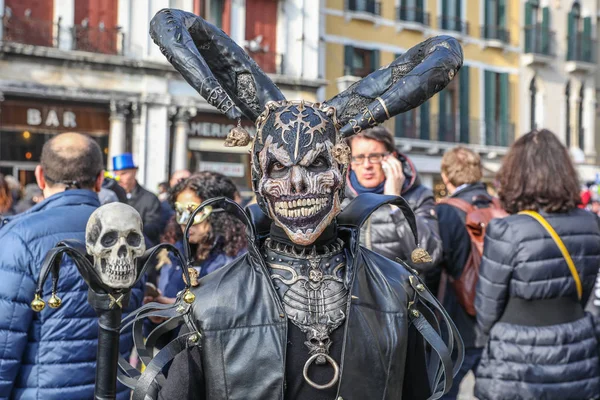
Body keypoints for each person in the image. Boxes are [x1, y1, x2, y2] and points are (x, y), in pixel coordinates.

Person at [116, 11, 464, 399]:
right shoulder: (210, 304)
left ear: (339, 168)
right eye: (279, 167)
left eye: (316, 164)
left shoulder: (397, 290)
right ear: (258, 179)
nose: (297, 184)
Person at [0, 132, 144, 399]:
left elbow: (3, 350)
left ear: (40, 176)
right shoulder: (131, 231)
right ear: (100, 179)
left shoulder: (16, 238)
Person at [474, 129, 600, 400]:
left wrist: (485, 342)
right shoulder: (591, 223)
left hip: (519, 356)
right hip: (575, 344)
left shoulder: (507, 230)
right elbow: (589, 290)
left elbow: (487, 306)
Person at [343, 126, 443, 279]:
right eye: (359, 157)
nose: (367, 165)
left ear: (392, 157)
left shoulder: (419, 196)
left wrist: (396, 201)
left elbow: (427, 259)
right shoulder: (338, 198)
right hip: (350, 300)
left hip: (399, 298)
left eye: (375, 156)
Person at [434, 147, 491, 399]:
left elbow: (433, 264)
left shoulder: (445, 211)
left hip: (456, 323)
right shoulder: (499, 206)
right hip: (495, 322)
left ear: (446, 175)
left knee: (445, 392)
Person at [156, 172, 248, 299]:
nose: (186, 222)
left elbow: (232, 306)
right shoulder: (175, 253)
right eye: (180, 212)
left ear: (218, 214)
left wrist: (181, 308)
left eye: (194, 212)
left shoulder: (238, 259)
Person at [113, 153, 163, 246]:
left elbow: (153, 228)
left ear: (134, 171)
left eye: (124, 173)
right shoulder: (112, 197)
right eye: (116, 174)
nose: (119, 178)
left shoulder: (150, 199)